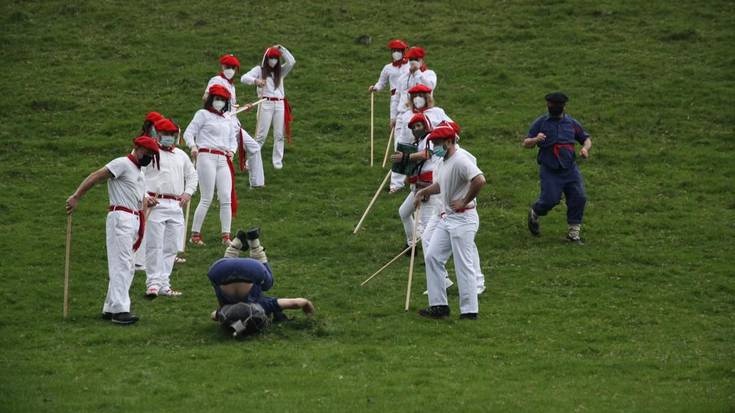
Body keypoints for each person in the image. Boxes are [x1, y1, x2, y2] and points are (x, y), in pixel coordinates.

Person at [65, 136, 160, 325]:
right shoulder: (122, 163)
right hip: (121, 217)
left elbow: (137, 194)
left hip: (132, 218)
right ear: (137, 148)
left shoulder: (138, 171)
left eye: (151, 155)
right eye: (147, 153)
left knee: (126, 264)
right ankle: (120, 310)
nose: (149, 157)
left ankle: (110, 307)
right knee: (122, 264)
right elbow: (96, 176)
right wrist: (77, 196)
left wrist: (147, 199)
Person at [414, 125, 486, 320]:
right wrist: (424, 191)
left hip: (464, 219)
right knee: (432, 256)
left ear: (449, 141)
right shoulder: (444, 160)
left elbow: (479, 180)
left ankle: (469, 311)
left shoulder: (461, 159)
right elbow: (442, 185)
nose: (435, 146)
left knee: (463, 264)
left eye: (438, 143)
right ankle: (439, 306)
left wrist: (464, 200)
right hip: (448, 218)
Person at [208, 228, 315, 337]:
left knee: (268, 284)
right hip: (219, 268)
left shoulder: (263, 305)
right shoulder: (224, 312)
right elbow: (213, 315)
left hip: (252, 268)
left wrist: (309, 311)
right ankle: (235, 244)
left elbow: (297, 303)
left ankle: (255, 244)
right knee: (225, 277)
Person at [523, 92, 592, 243]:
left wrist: (585, 149)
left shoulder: (572, 123)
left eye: (557, 105)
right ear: (547, 105)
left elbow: (585, 139)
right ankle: (535, 212)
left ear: (564, 106)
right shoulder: (541, 122)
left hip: (570, 169)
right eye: (551, 104)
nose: (554, 107)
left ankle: (574, 234)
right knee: (550, 200)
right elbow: (526, 143)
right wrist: (535, 139)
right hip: (550, 169)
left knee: (579, 197)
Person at [143, 118, 198, 298]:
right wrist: (145, 196)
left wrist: (188, 193)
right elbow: (137, 175)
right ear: (158, 135)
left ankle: (164, 283)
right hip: (155, 204)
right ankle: (152, 283)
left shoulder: (181, 155)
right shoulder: (150, 152)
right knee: (154, 245)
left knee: (171, 246)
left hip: (175, 204)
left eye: (172, 135)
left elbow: (192, 176)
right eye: (165, 135)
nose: (169, 138)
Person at [184, 84, 239, 246]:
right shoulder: (202, 114)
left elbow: (232, 140)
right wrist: (193, 146)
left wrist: (232, 152)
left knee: (226, 197)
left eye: (222, 100)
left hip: (223, 159)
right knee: (206, 197)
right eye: (217, 99)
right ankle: (195, 235)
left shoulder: (227, 119)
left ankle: (226, 236)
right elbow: (189, 132)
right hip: (206, 155)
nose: (220, 102)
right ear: (211, 100)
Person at [204, 54, 265, 189]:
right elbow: (206, 98)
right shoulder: (216, 80)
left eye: (233, 68)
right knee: (224, 155)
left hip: (234, 124)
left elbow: (232, 107)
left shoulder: (232, 86)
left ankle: (257, 184)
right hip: (222, 125)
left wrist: (244, 107)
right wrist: (219, 111)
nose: (230, 70)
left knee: (254, 147)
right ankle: (217, 186)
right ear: (222, 67)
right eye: (228, 67)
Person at [241, 45, 296, 170]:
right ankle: (250, 162)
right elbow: (243, 78)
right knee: (261, 136)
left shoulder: (281, 71)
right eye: (271, 58)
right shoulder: (259, 70)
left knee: (279, 135)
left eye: (276, 58)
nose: (273, 61)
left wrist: (281, 49)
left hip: (280, 104)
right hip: (265, 103)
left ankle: (277, 162)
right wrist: (256, 81)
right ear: (266, 58)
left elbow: (292, 61)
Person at [391, 47, 437, 192]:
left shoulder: (428, 74)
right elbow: (397, 96)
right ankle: (396, 184)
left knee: (420, 146)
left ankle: (419, 177)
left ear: (422, 60)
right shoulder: (403, 77)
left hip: (420, 115)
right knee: (400, 146)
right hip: (403, 115)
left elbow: (429, 87)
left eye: (416, 60)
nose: (412, 63)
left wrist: (417, 72)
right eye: (410, 60)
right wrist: (393, 115)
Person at [134, 111, 166, 271]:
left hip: (156, 195)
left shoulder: (157, 145)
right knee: (142, 226)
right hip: (144, 193)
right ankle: (138, 261)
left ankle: (155, 258)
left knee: (155, 230)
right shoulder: (143, 147)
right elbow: (138, 175)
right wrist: (145, 195)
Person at [368, 39, 409, 131]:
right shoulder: (388, 68)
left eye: (398, 51)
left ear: (403, 52)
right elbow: (381, 82)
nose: (396, 53)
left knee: (408, 121)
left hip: (408, 96)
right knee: (395, 123)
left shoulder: (409, 65)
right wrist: (375, 88)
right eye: (394, 51)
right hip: (395, 97)